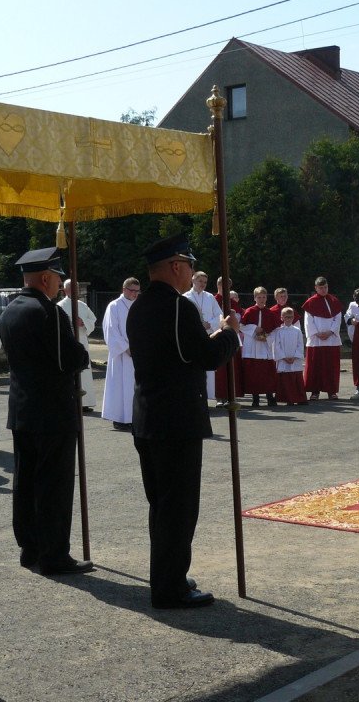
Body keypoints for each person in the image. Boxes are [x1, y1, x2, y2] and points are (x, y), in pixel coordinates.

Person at [127, 232, 240, 608]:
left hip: (149, 417)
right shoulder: (178, 307)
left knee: (161, 505)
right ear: (176, 266)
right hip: (175, 420)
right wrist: (229, 335)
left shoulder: (140, 306)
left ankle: (168, 574)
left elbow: (181, 352)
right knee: (178, 507)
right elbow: (206, 356)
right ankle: (170, 588)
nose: (191, 271)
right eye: (189, 265)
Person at [0, 246, 93, 576]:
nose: (58, 286)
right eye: (56, 279)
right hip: (51, 410)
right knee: (54, 483)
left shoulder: (10, 310)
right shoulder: (49, 312)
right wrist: (82, 355)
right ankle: (54, 553)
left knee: (25, 480)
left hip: (22, 408)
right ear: (44, 278)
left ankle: (30, 547)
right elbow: (68, 357)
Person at [101, 277, 140, 431]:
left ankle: (133, 417)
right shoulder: (114, 306)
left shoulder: (139, 305)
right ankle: (119, 418)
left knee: (134, 387)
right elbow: (111, 329)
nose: (135, 294)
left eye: (137, 291)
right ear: (124, 289)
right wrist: (126, 348)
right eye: (132, 291)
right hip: (121, 354)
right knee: (119, 387)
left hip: (137, 352)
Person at [58, 279, 98, 411]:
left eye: (77, 287)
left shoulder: (82, 305)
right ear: (65, 290)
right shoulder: (60, 306)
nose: (76, 290)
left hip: (82, 340)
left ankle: (85, 402)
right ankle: (73, 402)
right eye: (72, 287)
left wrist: (83, 322)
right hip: (69, 343)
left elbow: (92, 319)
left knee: (84, 372)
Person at [301, 277, 343, 400]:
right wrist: (317, 333)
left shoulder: (334, 301)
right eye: (321, 288)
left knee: (331, 367)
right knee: (315, 366)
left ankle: (332, 391)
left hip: (331, 340)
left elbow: (337, 318)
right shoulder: (310, 302)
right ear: (316, 288)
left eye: (325, 287)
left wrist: (330, 332)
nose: (323, 290)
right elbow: (308, 321)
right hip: (316, 340)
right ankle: (315, 391)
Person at [183, 270, 222, 399]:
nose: (203, 284)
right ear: (193, 280)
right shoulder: (185, 297)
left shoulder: (210, 297)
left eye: (205, 282)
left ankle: (207, 396)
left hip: (208, 336)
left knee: (208, 370)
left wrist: (210, 324)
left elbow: (219, 315)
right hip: (192, 337)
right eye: (200, 281)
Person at [240, 287, 281, 406]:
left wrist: (265, 337)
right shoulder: (249, 311)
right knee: (253, 374)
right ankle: (255, 398)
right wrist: (254, 328)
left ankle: (269, 396)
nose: (261, 300)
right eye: (259, 297)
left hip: (264, 346)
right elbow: (241, 326)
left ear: (266, 298)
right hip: (252, 347)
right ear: (254, 298)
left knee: (267, 373)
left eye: (263, 297)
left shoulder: (270, 313)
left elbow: (275, 330)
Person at [214, 277, 243, 406]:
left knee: (231, 367)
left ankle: (231, 395)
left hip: (230, 335)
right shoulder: (213, 300)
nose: (226, 288)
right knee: (220, 369)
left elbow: (239, 317)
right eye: (223, 285)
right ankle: (220, 396)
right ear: (218, 286)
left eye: (228, 286)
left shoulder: (232, 302)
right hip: (217, 334)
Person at [273, 307, 307, 405]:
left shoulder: (297, 330)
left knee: (296, 379)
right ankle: (288, 399)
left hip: (294, 359)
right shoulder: (279, 331)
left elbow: (300, 344)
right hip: (284, 360)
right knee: (285, 380)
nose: (289, 319)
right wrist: (283, 357)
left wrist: (295, 356)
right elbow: (277, 346)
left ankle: (300, 398)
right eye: (286, 317)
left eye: (291, 317)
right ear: (282, 318)